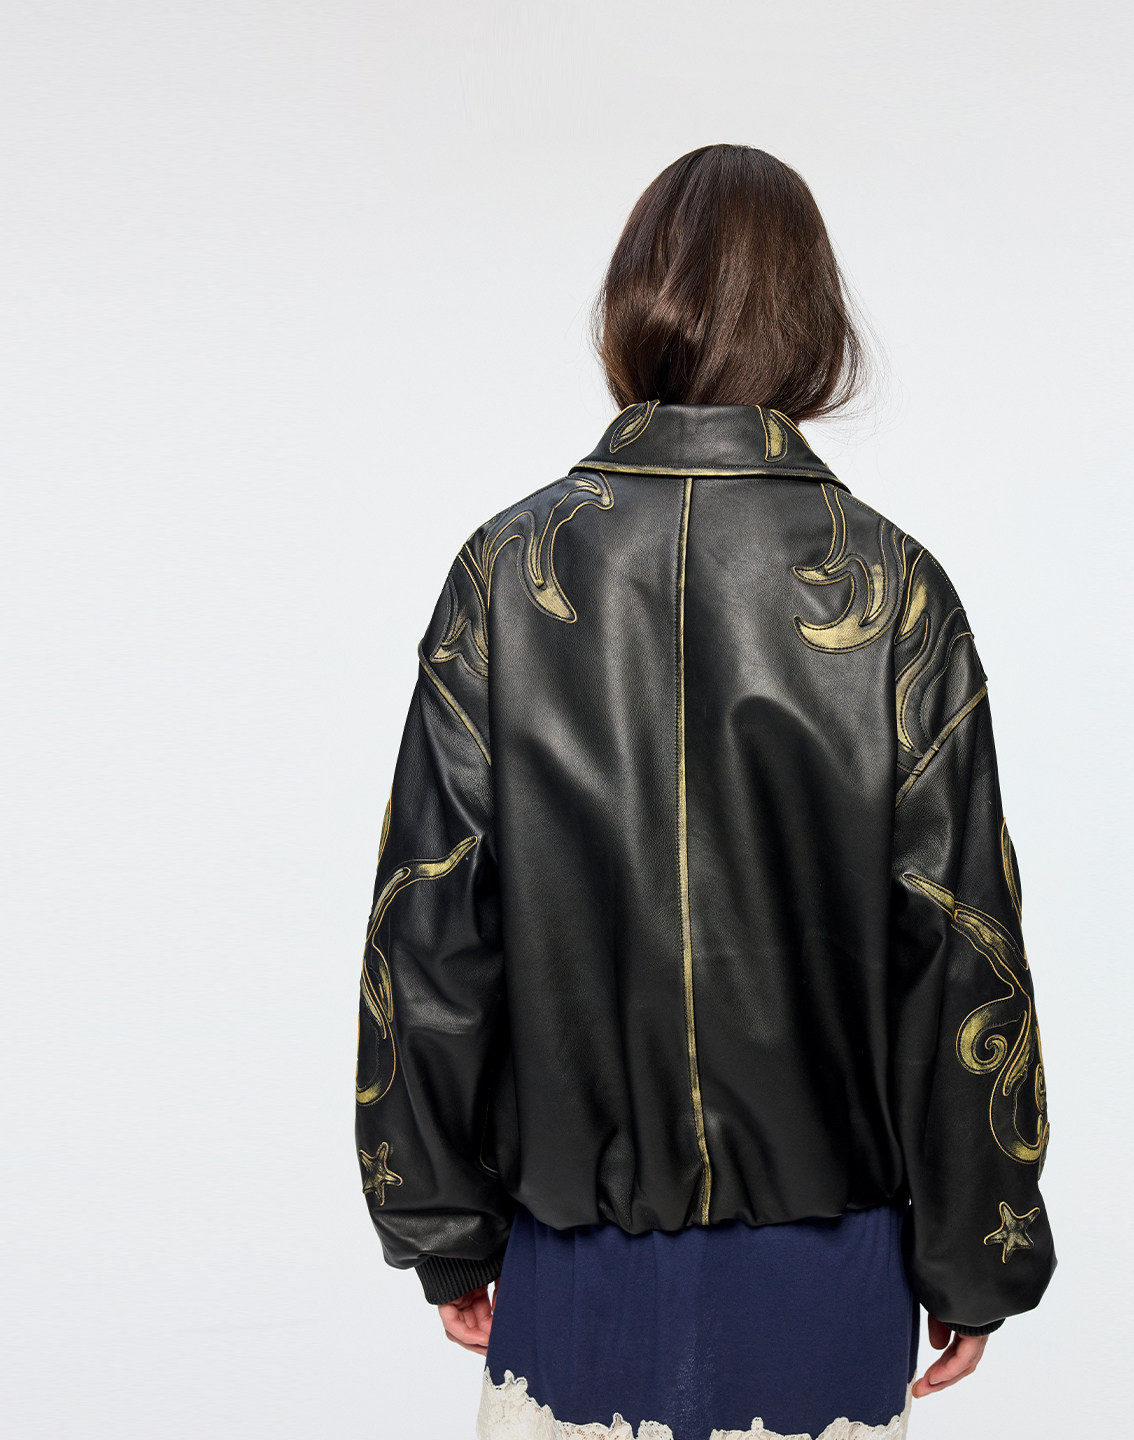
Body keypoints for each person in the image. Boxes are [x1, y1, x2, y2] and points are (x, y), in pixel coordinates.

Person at [354, 143, 1056, 1440]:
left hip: (576, 1259)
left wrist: (441, 1228)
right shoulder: (898, 593)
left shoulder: (504, 577)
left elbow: (431, 927)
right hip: (828, 1262)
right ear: (814, 324)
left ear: (633, 310)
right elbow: (960, 948)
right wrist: (978, 1250)